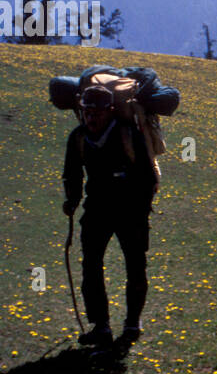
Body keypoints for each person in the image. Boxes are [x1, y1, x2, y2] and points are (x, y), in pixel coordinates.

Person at [62, 85, 157, 350]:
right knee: (91, 266)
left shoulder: (128, 135)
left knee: (135, 267)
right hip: (96, 211)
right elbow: (72, 172)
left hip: (131, 212)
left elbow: (148, 177)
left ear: (110, 111)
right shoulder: (78, 138)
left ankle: (132, 324)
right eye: (87, 112)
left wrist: (141, 208)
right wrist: (71, 199)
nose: (91, 118)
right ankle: (100, 326)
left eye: (97, 113)